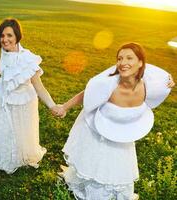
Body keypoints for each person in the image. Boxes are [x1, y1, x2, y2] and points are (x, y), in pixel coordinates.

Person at [54, 43, 174, 199]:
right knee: (95, 160)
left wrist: (167, 80)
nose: (123, 62)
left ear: (140, 63)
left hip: (123, 131)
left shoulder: (150, 85)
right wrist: (64, 107)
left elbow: (156, 75)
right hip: (97, 128)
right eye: (119, 58)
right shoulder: (109, 83)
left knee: (118, 159)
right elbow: (87, 93)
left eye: (129, 58)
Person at [0, 18, 58, 174]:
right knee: (3, 128)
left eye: (9, 35)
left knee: (18, 130)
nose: (5, 39)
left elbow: (39, 87)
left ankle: (18, 155)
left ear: (17, 36)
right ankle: (1, 153)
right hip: (2, 96)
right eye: (2, 36)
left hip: (22, 100)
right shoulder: (5, 51)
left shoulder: (27, 59)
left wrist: (52, 105)